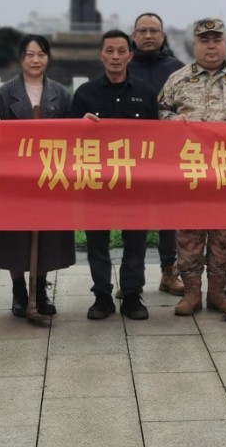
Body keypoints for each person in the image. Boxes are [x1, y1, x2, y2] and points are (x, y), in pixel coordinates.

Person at [158, 18, 226, 317]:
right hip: (190, 174)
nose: (211, 46)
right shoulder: (178, 79)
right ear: (195, 44)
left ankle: (217, 292)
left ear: (224, 43)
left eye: (216, 40)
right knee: (188, 236)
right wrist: (172, 120)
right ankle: (192, 293)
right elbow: (161, 111)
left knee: (224, 236)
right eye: (204, 40)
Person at [70, 29, 159, 321]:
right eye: (109, 51)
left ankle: (132, 295)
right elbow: (68, 139)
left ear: (130, 56)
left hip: (136, 183)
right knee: (97, 243)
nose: (115, 57)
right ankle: (102, 296)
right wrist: (80, 124)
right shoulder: (85, 93)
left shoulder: (145, 92)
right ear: (101, 55)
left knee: (136, 242)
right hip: (96, 182)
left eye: (121, 51)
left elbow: (159, 138)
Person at [0, 34, 76, 319]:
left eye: (41, 54)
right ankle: (18, 290)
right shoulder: (5, 93)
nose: (36, 60)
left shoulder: (61, 94)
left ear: (48, 58)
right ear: (20, 58)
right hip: (15, 178)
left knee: (48, 233)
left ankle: (40, 288)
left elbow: (72, 135)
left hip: (49, 176)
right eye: (30, 54)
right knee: (14, 234)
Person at [130, 12, 186, 298]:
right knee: (134, 218)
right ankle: (132, 278)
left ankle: (169, 273)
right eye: (143, 31)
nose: (148, 35)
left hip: (168, 154)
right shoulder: (124, 66)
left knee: (169, 215)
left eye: (154, 30)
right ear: (134, 36)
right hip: (131, 155)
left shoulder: (177, 70)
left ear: (163, 35)